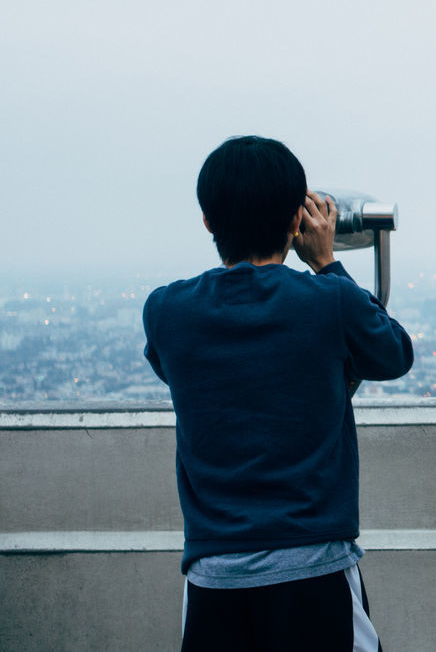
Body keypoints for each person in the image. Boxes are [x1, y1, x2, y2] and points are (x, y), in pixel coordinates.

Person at [143, 135, 414, 651]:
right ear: (297, 221)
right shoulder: (329, 301)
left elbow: (181, 375)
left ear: (208, 222)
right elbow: (394, 354)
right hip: (313, 568)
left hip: (214, 574)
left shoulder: (166, 311)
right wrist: (327, 262)